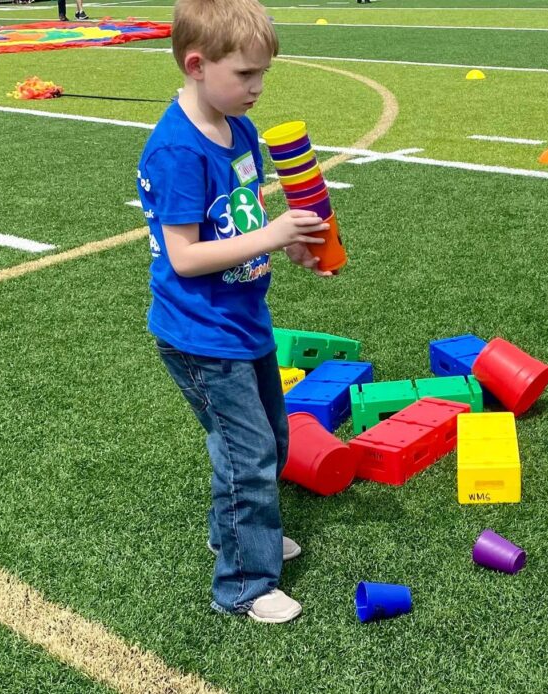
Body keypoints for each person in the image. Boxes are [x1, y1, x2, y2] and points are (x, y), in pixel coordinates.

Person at [136, 0, 333, 624]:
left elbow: (242, 221)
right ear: (197, 65)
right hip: (200, 334)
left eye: (263, 73)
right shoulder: (177, 151)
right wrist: (273, 235)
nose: (257, 87)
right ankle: (243, 583)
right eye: (245, 74)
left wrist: (292, 247)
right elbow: (186, 257)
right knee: (246, 453)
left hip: (244, 320)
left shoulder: (240, 131)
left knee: (270, 438)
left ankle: (237, 534)